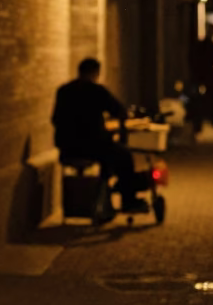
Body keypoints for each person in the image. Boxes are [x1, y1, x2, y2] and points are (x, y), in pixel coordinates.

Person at [52, 57, 146, 213]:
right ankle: (128, 200)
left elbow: (55, 119)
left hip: (67, 148)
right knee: (124, 156)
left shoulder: (63, 91)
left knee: (110, 155)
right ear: (95, 73)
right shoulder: (96, 91)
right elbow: (119, 110)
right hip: (93, 147)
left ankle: (103, 199)